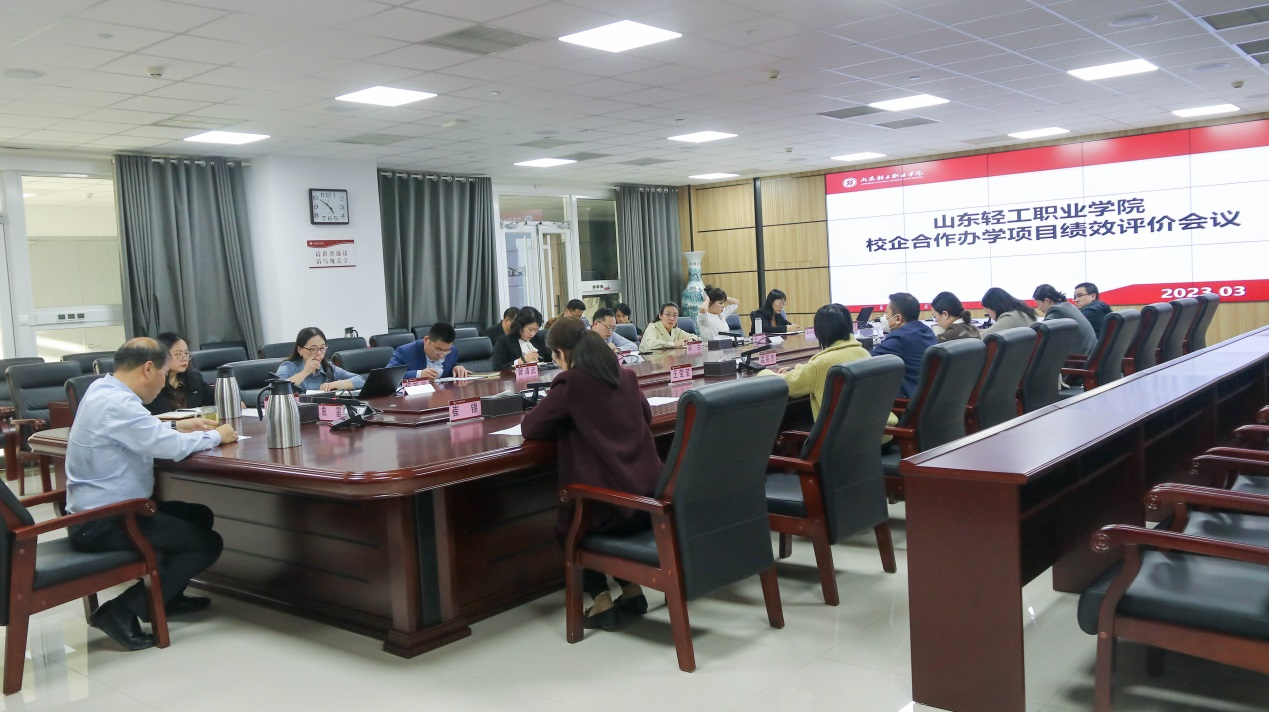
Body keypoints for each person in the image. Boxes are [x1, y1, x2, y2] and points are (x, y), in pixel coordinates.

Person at [66, 338, 238, 651]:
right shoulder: (119, 404)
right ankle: (121, 611)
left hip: (96, 514)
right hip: (105, 521)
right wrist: (217, 435)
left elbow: (139, 432)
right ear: (148, 369)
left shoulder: (102, 389)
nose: (163, 383)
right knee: (206, 543)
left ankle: (167, 598)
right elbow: (168, 448)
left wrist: (179, 426)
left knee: (198, 515)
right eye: (163, 374)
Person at [520, 317, 662, 630]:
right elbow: (646, 415)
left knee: (572, 523)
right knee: (591, 508)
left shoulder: (570, 383)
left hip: (609, 509)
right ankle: (631, 590)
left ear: (561, 353)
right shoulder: (625, 376)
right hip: (648, 498)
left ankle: (601, 600)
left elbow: (531, 427)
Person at [761, 304, 871, 420]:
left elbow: (790, 385)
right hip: (868, 425)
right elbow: (813, 371)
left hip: (835, 429)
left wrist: (764, 373)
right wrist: (798, 368)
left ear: (821, 331)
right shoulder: (864, 354)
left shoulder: (821, 364)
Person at [870, 292, 938, 399]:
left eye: (886, 313)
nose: (883, 318)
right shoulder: (927, 331)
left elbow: (866, 361)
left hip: (909, 402)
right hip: (930, 397)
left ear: (898, 318)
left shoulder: (899, 339)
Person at [276, 327, 366, 392]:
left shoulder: (327, 367)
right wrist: (304, 372)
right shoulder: (288, 367)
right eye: (313, 349)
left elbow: (360, 380)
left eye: (322, 348)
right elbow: (274, 389)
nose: (319, 353)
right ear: (300, 350)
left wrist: (335, 384)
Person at [145, 332, 213, 414]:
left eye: (186, 353)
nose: (184, 358)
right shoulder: (151, 383)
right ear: (161, 356)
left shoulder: (193, 376)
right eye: (178, 354)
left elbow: (214, 400)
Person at [387, 322, 471, 379]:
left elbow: (450, 367)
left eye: (446, 350)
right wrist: (419, 374)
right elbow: (389, 376)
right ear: (426, 340)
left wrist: (456, 367)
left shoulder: (453, 351)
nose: (442, 355)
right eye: (438, 349)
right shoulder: (405, 352)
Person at [1034, 284, 1097, 357]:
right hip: (1090, 356)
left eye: (1038, 304)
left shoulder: (1057, 310)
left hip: (1081, 359)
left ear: (1046, 301)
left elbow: (1041, 331)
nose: (1038, 308)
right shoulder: (1068, 306)